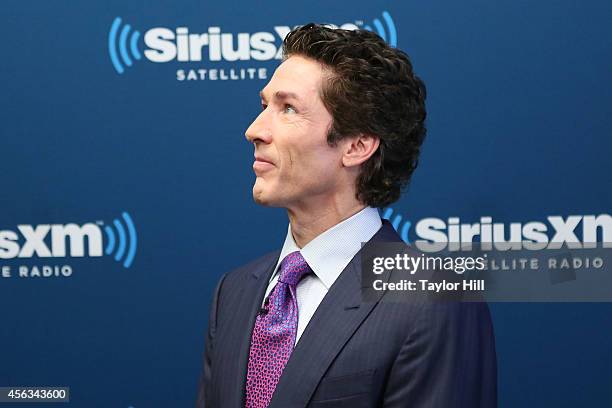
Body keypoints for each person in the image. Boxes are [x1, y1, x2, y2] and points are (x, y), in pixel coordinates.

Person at [196, 23, 496, 408]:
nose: (254, 130)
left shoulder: (434, 300)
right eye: (264, 105)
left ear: (356, 145)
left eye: (288, 108)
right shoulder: (234, 292)